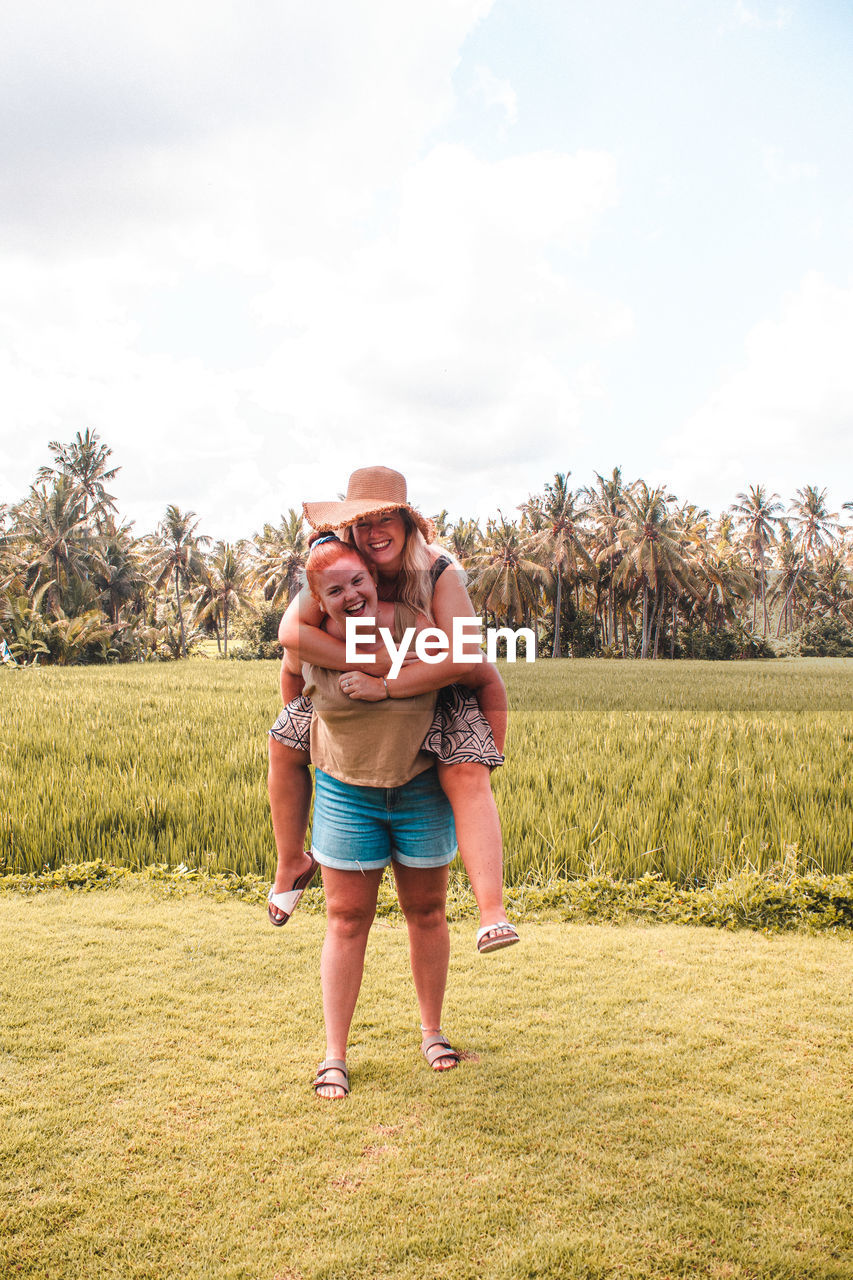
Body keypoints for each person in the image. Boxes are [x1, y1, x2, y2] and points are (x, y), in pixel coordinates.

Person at [266, 466, 519, 954]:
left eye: (386, 520)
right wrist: (358, 670)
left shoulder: (438, 570)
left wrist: (389, 682)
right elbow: (290, 639)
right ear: (350, 531)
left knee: (468, 773)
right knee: (283, 740)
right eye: (364, 523)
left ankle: (492, 912)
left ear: (407, 524)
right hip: (344, 692)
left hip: (438, 685)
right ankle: (290, 861)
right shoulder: (336, 567)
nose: (375, 532)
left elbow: (467, 658)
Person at [301, 533, 466, 1098]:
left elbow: (461, 664)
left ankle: (433, 1032)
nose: (350, 595)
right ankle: (334, 1055)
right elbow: (290, 692)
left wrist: (386, 684)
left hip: (420, 784)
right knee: (346, 920)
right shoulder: (311, 639)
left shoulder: (416, 620)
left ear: (374, 577)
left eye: (357, 582)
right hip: (346, 790)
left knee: (427, 911)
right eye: (334, 590)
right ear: (317, 601)